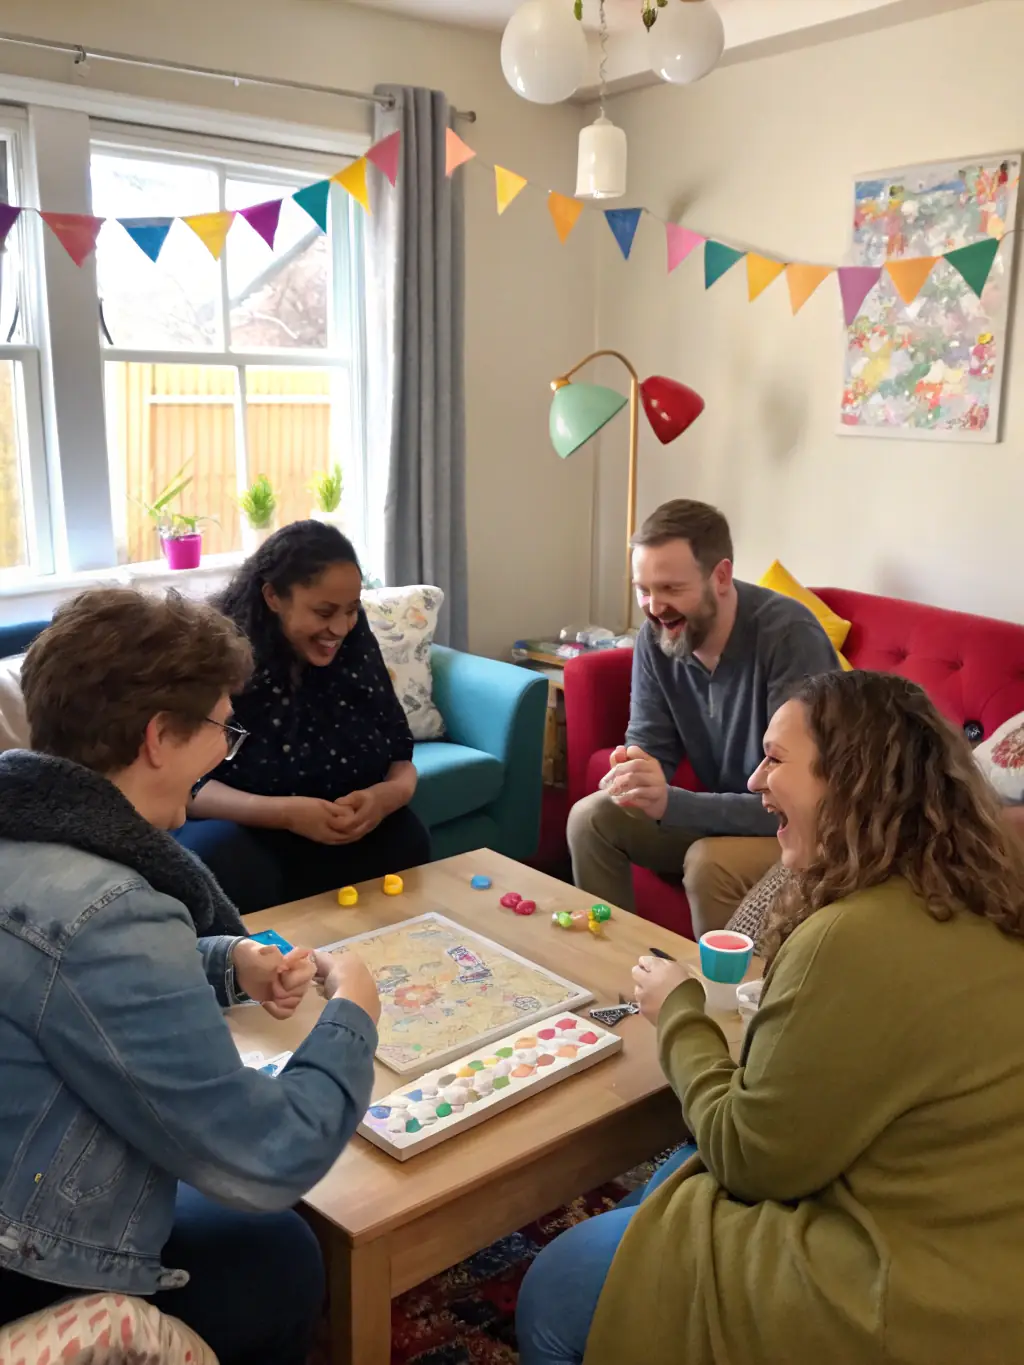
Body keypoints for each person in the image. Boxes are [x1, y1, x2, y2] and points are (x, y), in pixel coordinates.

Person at [518, 670, 1024, 1365]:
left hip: (905, 1296)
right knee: (674, 1173)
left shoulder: (850, 936)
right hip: (985, 1249)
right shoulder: (982, 888)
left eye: (776, 759)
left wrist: (680, 1012)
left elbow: (751, 1160)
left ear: (850, 778)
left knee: (556, 1283)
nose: (755, 779)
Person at [0, 587, 382, 1365]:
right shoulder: (108, 910)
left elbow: (56, 983)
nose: (225, 750)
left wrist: (225, 960)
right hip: (35, 1259)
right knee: (280, 1256)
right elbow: (268, 1156)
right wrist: (356, 1015)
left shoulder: (26, 833)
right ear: (156, 739)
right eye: (220, 728)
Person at [567, 498, 839, 935]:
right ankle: (620, 977)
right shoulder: (657, 639)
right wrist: (634, 773)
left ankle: (720, 1001)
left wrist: (674, 803)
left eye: (672, 589)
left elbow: (797, 798)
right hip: (730, 813)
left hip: (804, 828)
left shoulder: (787, 637)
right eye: (644, 589)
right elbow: (650, 748)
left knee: (707, 863)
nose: (654, 607)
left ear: (722, 577)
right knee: (592, 818)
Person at [177, 520, 431, 913]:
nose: (341, 628)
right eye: (324, 611)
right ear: (273, 596)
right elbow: (187, 785)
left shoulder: (354, 640)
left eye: (350, 610)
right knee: (227, 858)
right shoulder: (217, 651)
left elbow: (400, 754)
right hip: (249, 826)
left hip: (338, 823)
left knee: (406, 833)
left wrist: (385, 797)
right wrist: (286, 814)